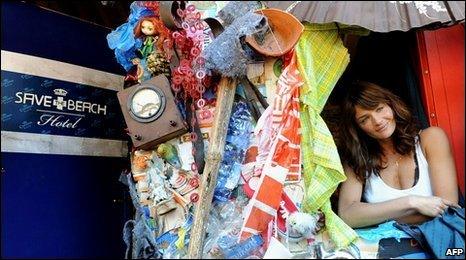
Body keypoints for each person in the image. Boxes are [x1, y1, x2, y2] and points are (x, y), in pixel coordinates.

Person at [337, 81, 459, 228]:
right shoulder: (358, 158)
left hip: (438, 244)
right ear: (357, 128)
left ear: (391, 105)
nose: (377, 121)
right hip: (389, 248)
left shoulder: (431, 139)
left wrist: (372, 217)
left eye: (379, 109)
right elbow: (347, 215)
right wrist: (411, 202)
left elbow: (447, 209)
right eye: (365, 119)